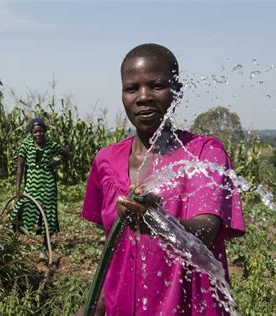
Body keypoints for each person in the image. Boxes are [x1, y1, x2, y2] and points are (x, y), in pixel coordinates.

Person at [80, 43, 245, 315]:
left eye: (156, 86)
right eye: (132, 88)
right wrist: (96, 307)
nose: (143, 97)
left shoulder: (203, 155)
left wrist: (155, 221)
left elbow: (206, 230)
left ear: (176, 92)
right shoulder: (105, 162)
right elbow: (113, 251)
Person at [10, 117, 70, 238]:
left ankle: (46, 240)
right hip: (31, 185)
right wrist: (18, 189)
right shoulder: (26, 146)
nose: (38, 134)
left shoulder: (51, 145)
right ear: (31, 133)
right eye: (35, 132)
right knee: (23, 206)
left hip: (48, 185)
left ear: (45, 131)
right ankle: (20, 232)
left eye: (41, 131)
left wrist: (55, 164)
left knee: (48, 212)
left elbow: (67, 154)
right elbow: (20, 168)